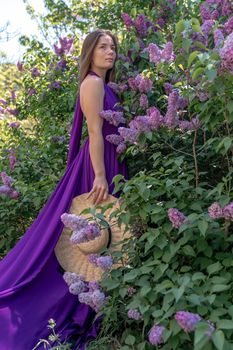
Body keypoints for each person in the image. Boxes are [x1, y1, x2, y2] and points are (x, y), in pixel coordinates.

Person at [0, 29, 128, 350]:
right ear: (90, 52)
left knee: (108, 237)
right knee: (93, 237)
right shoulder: (92, 83)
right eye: (102, 46)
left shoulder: (104, 85)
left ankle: (102, 309)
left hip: (111, 162)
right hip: (100, 166)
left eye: (112, 46)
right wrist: (99, 175)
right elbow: (96, 133)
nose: (110, 51)